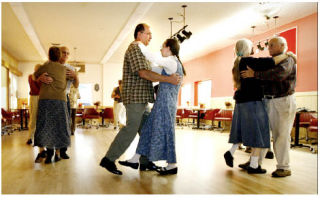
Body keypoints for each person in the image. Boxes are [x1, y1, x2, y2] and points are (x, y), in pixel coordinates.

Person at [99, 23, 181, 175]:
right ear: (139, 34)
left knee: (147, 131)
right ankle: (109, 159)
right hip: (135, 97)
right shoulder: (135, 48)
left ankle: (145, 161)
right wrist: (167, 79)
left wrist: (163, 76)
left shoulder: (142, 51)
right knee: (131, 128)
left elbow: (150, 70)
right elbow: (143, 73)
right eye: (148, 33)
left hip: (142, 98)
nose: (150, 37)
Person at [118, 38, 186, 175]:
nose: (161, 49)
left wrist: (140, 45)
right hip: (162, 103)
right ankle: (135, 159)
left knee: (167, 132)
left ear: (169, 48)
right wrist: (139, 66)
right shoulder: (169, 66)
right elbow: (152, 69)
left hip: (166, 104)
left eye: (162, 47)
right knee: (148, 130)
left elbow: (153, 58)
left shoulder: (172, 62)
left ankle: (172, 165)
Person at [223, 39, 288, 174]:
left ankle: (232, 152)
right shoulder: (249, 61)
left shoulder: (238, 63)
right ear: (247, 48)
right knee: (260, 131)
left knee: (244, 130)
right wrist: (288, 55)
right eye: (252, 46)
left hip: (241, 102)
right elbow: (271, 62)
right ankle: (253, 166)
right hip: (252, 102)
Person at [240, 36, 297, 177]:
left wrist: (255, 74)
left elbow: (279, 75)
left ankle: (284, 167)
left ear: (282, 45)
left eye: (272, 45)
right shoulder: (272, 61)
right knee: (263, 134)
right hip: (268, 100)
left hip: (282, 101)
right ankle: (255, 162)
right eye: (269, 45)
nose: (269, 47)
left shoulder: (288, 60)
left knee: (281, 135)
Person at [33, 46, 71, 164]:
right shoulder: (64, 69)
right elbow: (75, 82)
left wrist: (39, 77)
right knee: (59, 127)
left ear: (48, 56)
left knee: (46, 126)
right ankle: (58, 154)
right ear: (59, 56)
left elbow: (34, 76)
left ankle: (49, 154)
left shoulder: (44, 67)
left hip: (45, 100)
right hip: (60, 100)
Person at [26, 64, 42, 146]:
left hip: (41, 97)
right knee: (33, 118)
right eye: (36, 69)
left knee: (41, 118)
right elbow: (35, 86)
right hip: (34, 97)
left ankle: (38, 138)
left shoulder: (42, 77)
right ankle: (30, 137)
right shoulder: (31, 76)